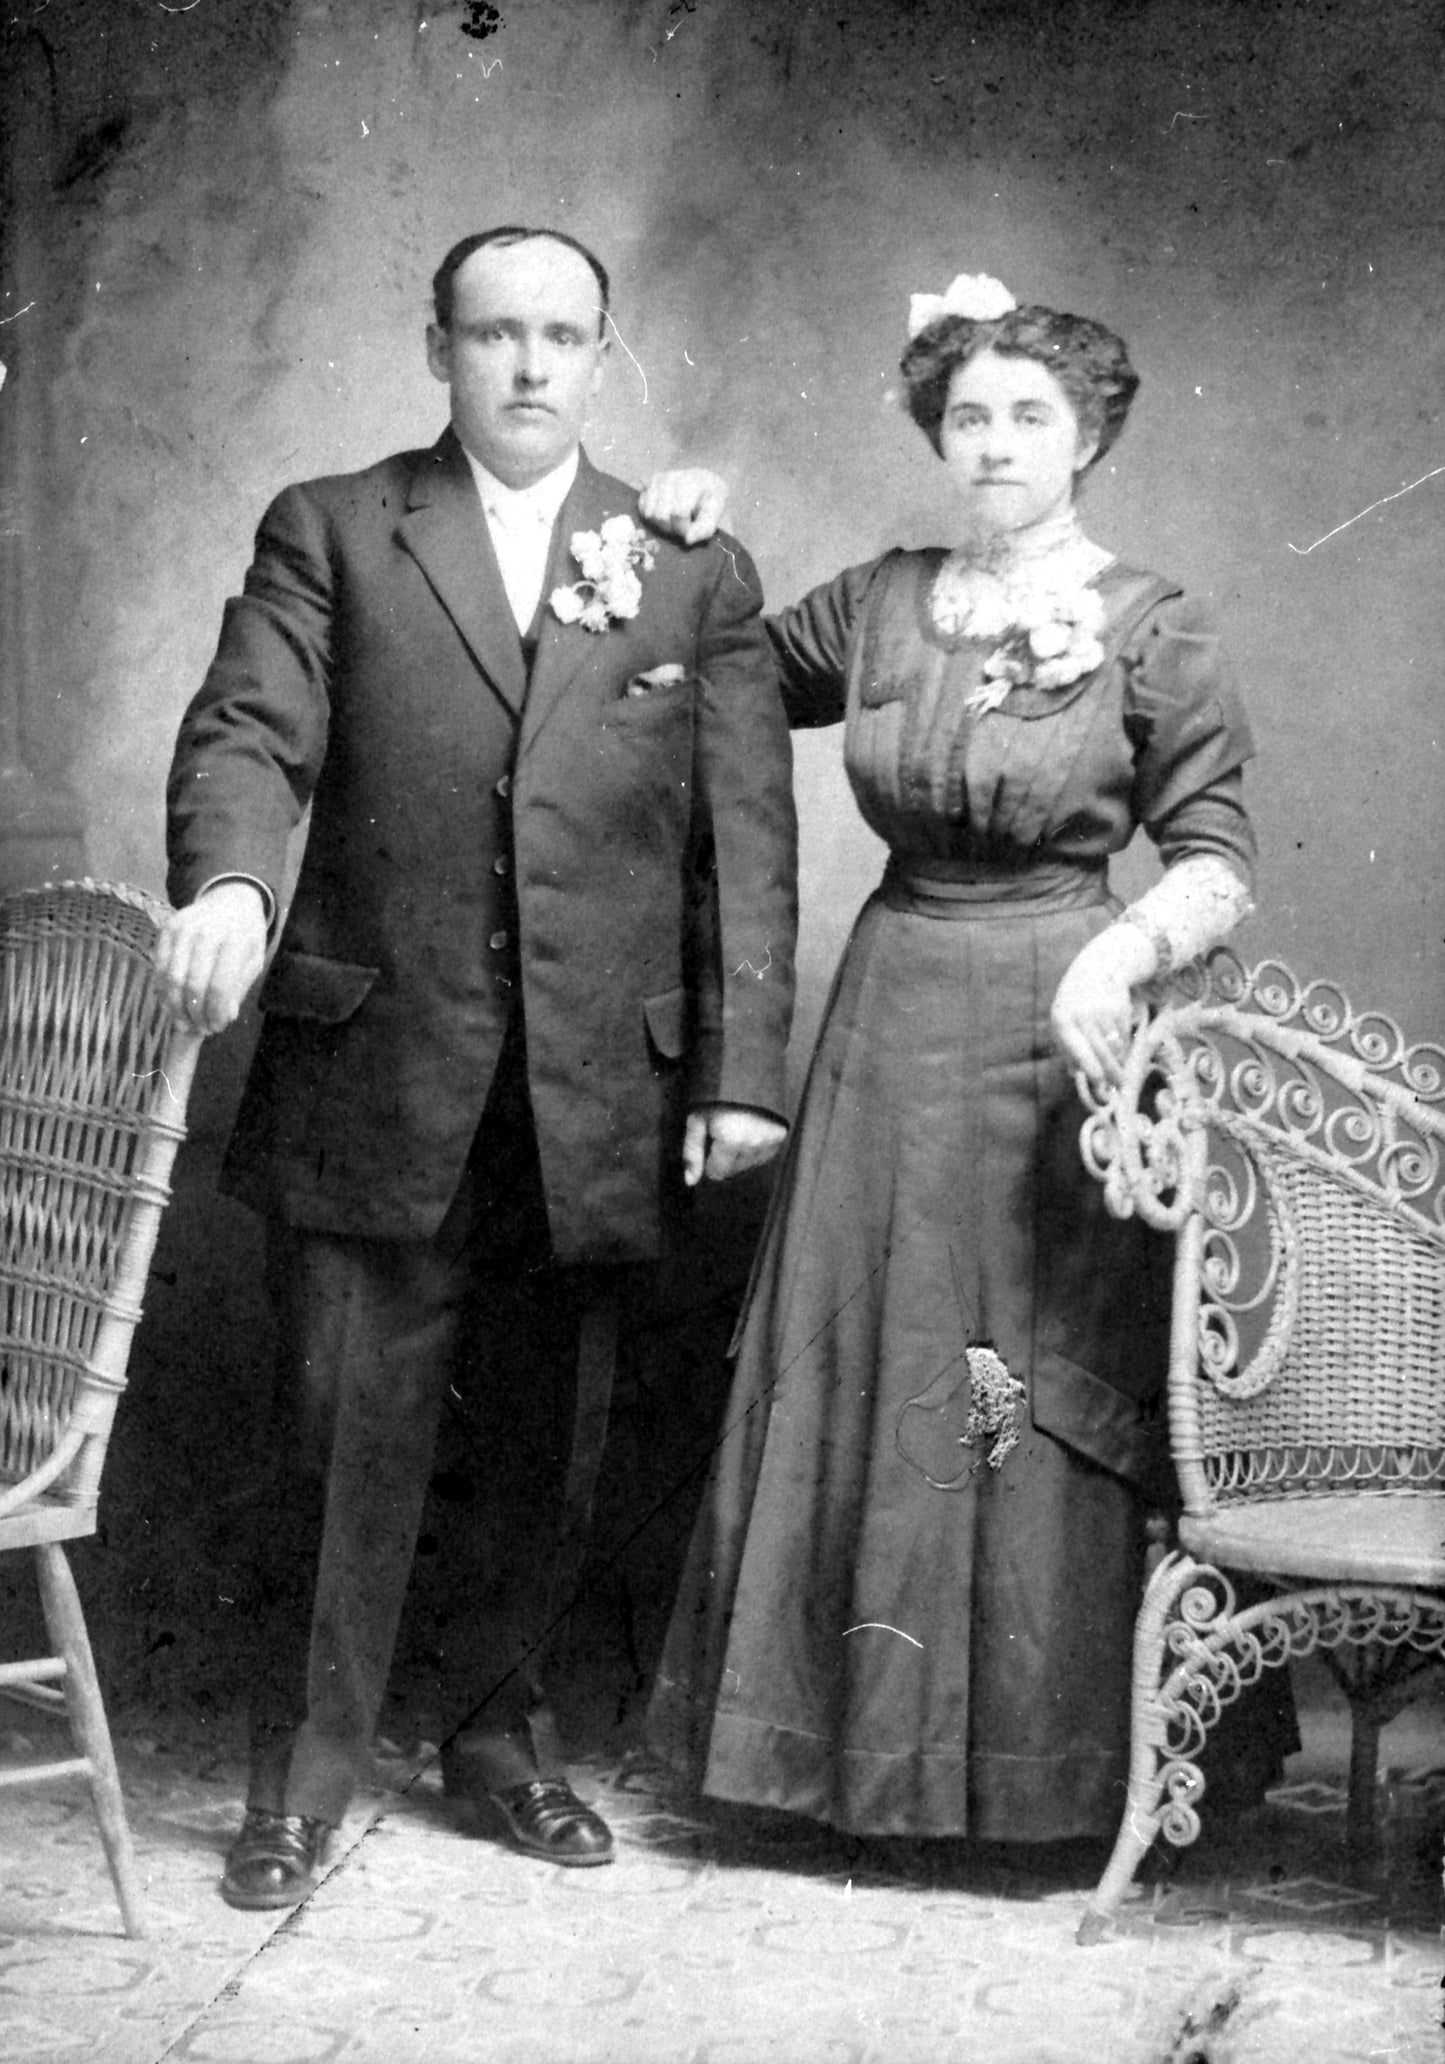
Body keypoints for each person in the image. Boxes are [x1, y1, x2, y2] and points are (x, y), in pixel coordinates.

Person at [157, 226, 798, 1907]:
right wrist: (230, 876)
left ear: (604, 351)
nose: (527, 366)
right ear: (435, 343)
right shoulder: (336, 525)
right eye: (494, 333)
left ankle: (501, 1744)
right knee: (334, 1436)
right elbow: (247, 728)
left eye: (561, 335)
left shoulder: (690, 568)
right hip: (378, 1065)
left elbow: (745, 837)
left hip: (594, 1088)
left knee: (549, 1434)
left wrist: (739, 1071)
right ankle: (295, 1780)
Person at [640, 273, 1283, 1849]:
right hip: (886, 1018)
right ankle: (832, 1763)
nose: (994, 444)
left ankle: (1027, 1781)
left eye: (1029, 417)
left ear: (1086, 435)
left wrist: (1116, 954)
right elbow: (701, 665)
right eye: (969, 416)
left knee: (1001, 1383)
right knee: (871, 1363)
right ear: (937, 431)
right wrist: (685, 533)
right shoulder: (876, 601)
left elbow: (1214, 858)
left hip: (1049, 1034)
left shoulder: (1150, 623)